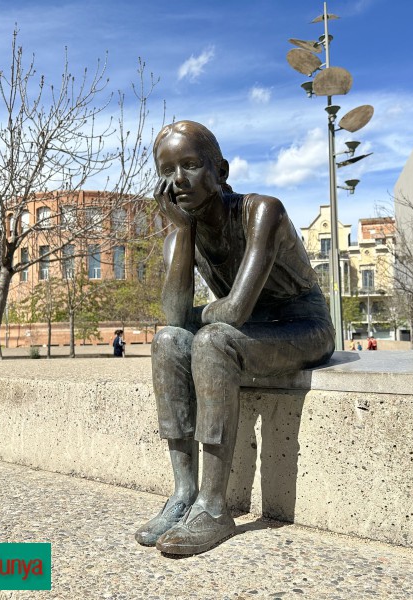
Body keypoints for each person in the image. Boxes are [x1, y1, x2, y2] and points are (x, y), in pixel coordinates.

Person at [135, 121, 335, 555]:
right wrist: (184, 231)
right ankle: (184, 494)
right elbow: (173, 319)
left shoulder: (263, 211)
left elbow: (235, 310)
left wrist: (201, 318)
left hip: (299, 324)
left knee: (211, 342)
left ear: (219, 170)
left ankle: (213, 506)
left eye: (189, 165)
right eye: (167, 170)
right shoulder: (179, 237)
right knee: (168, 341)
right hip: (242, 329)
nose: (178, 180)